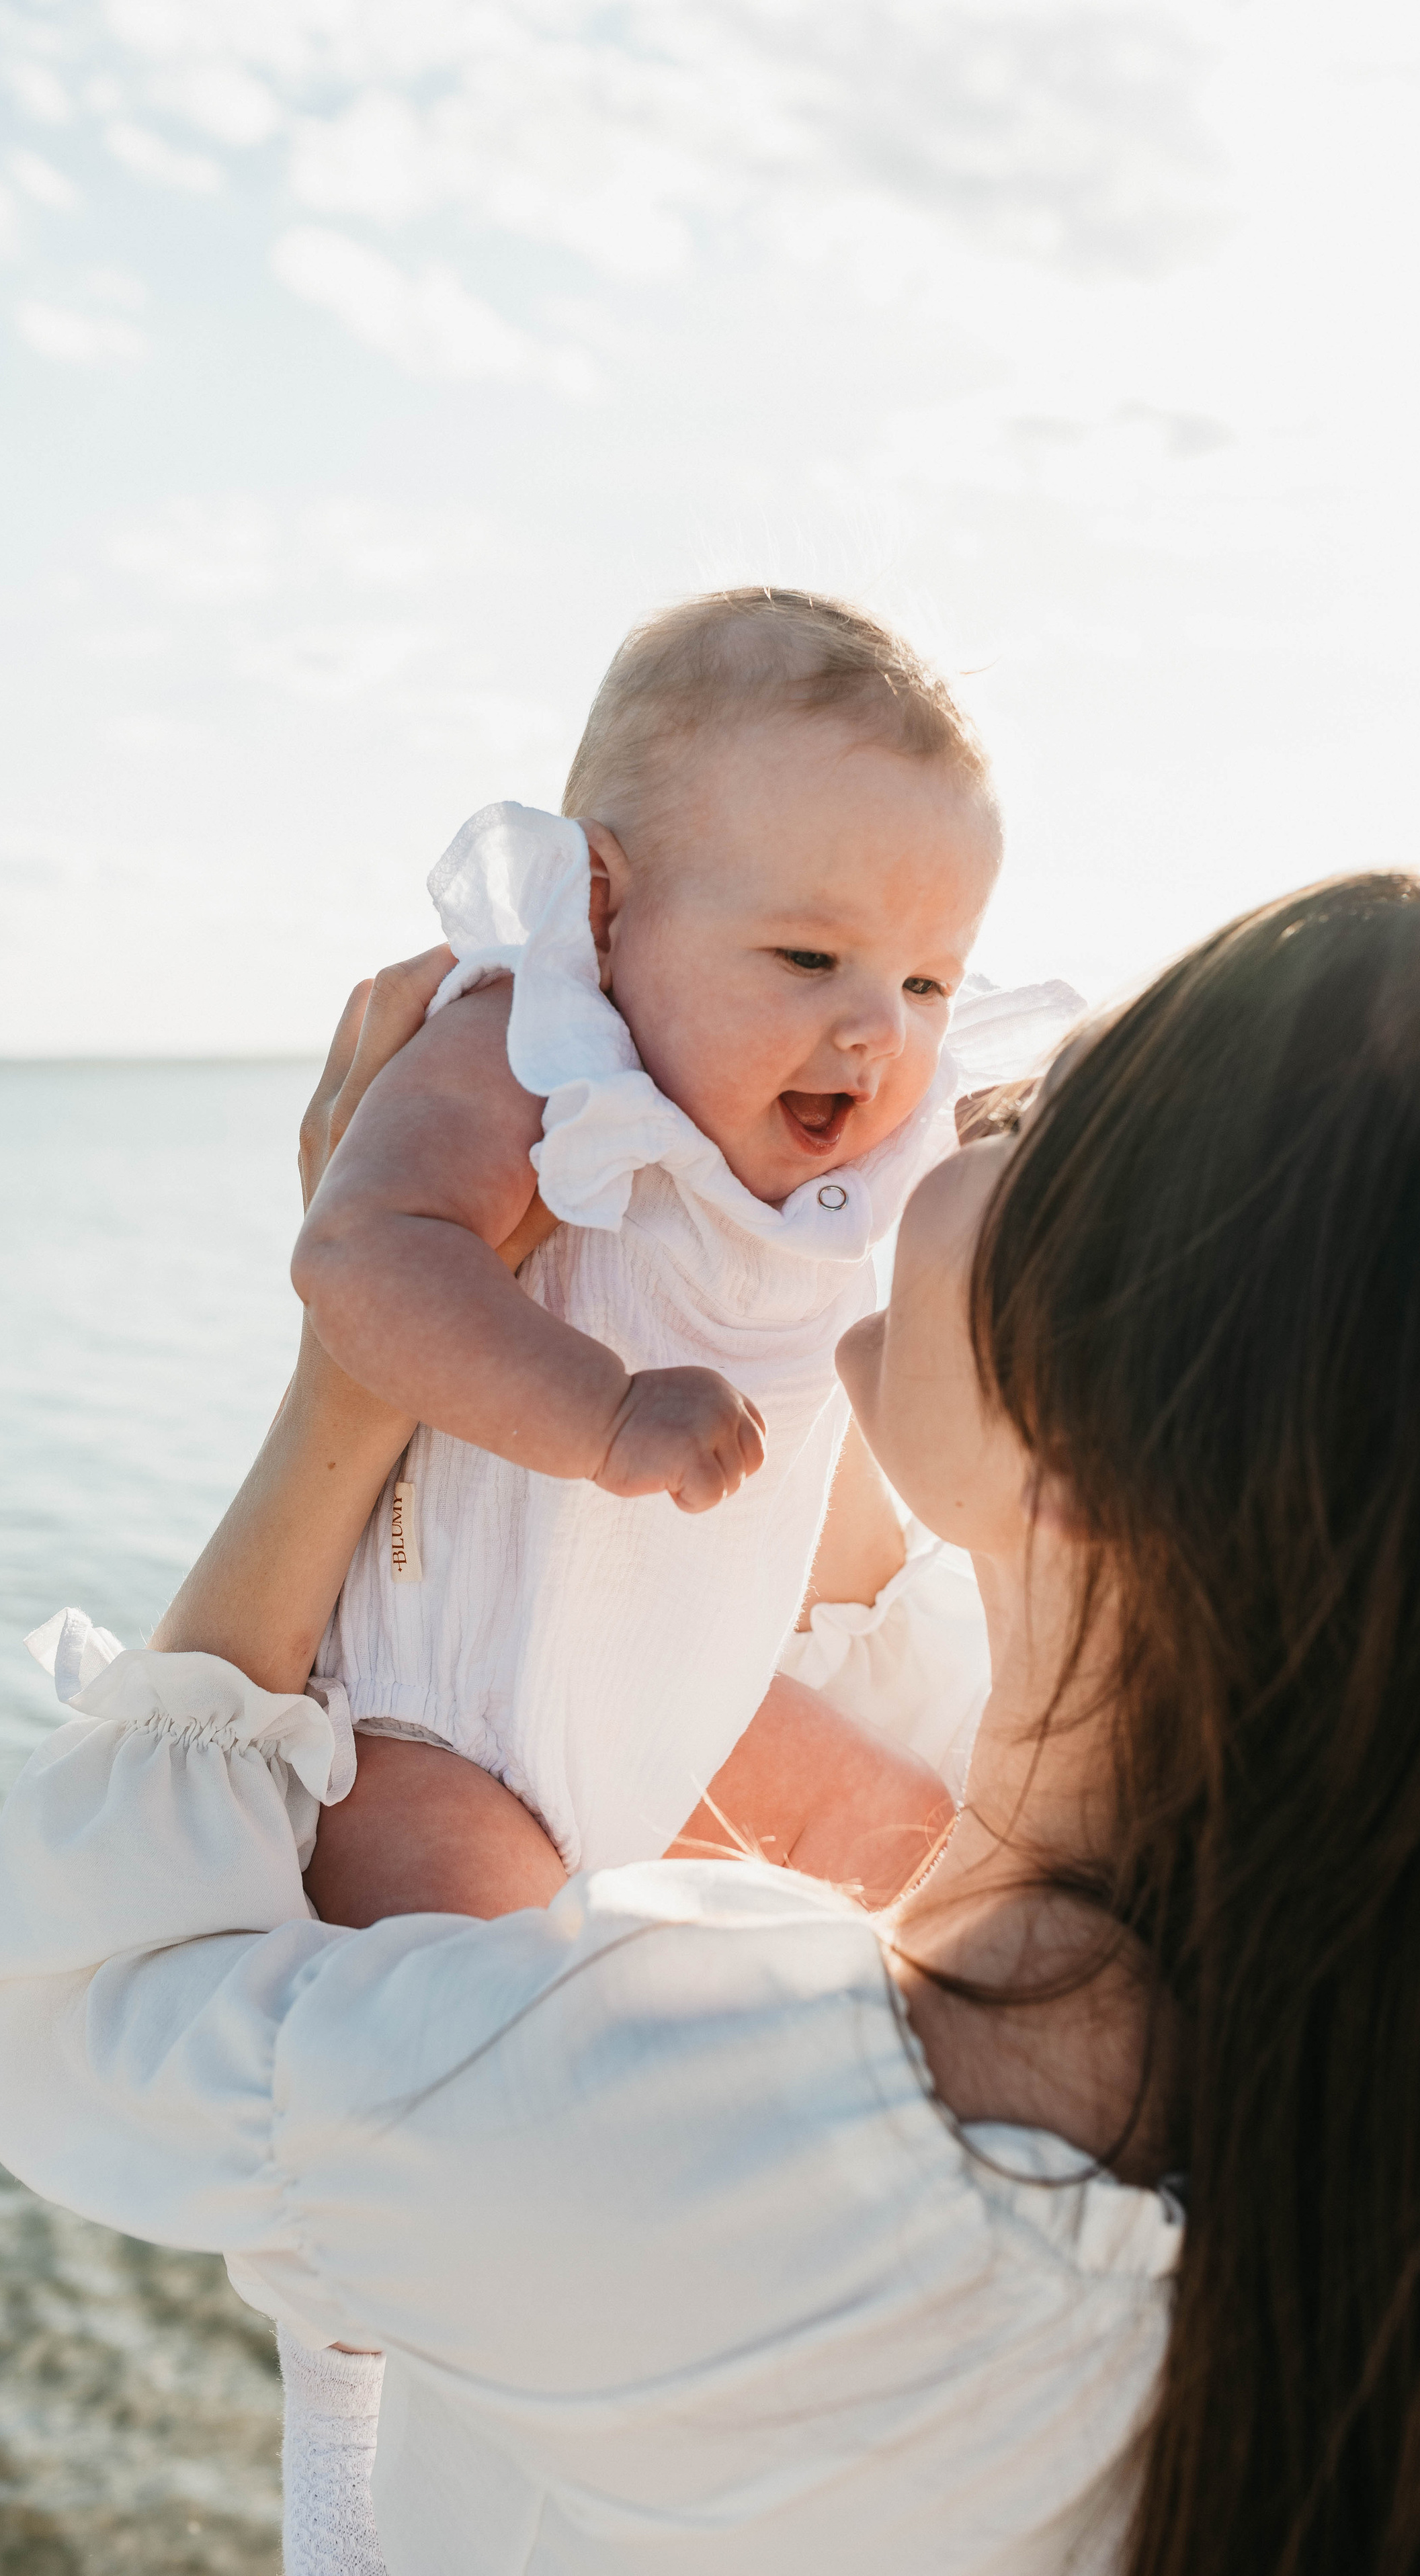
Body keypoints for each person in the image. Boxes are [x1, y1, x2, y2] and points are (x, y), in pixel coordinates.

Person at [0, 869, 1420, 2576]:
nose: (933, 1106)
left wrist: (359, 1370)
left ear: (1107, 1443)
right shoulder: (1394, 2165)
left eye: (1026, 1113)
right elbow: (868, 1682)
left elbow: (80, 2008)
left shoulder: (705, 2121)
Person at [288, 587, 1075, 1897]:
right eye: (808, 954)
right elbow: (360, 1250)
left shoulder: (870, 1102)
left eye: (926, 978)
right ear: (602, 913)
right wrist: (597, 1412)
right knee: (481, 1990)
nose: (879, 1028)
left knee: (914, 1839)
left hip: (684, 1702)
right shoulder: (531, 1053)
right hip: (444, 1720)